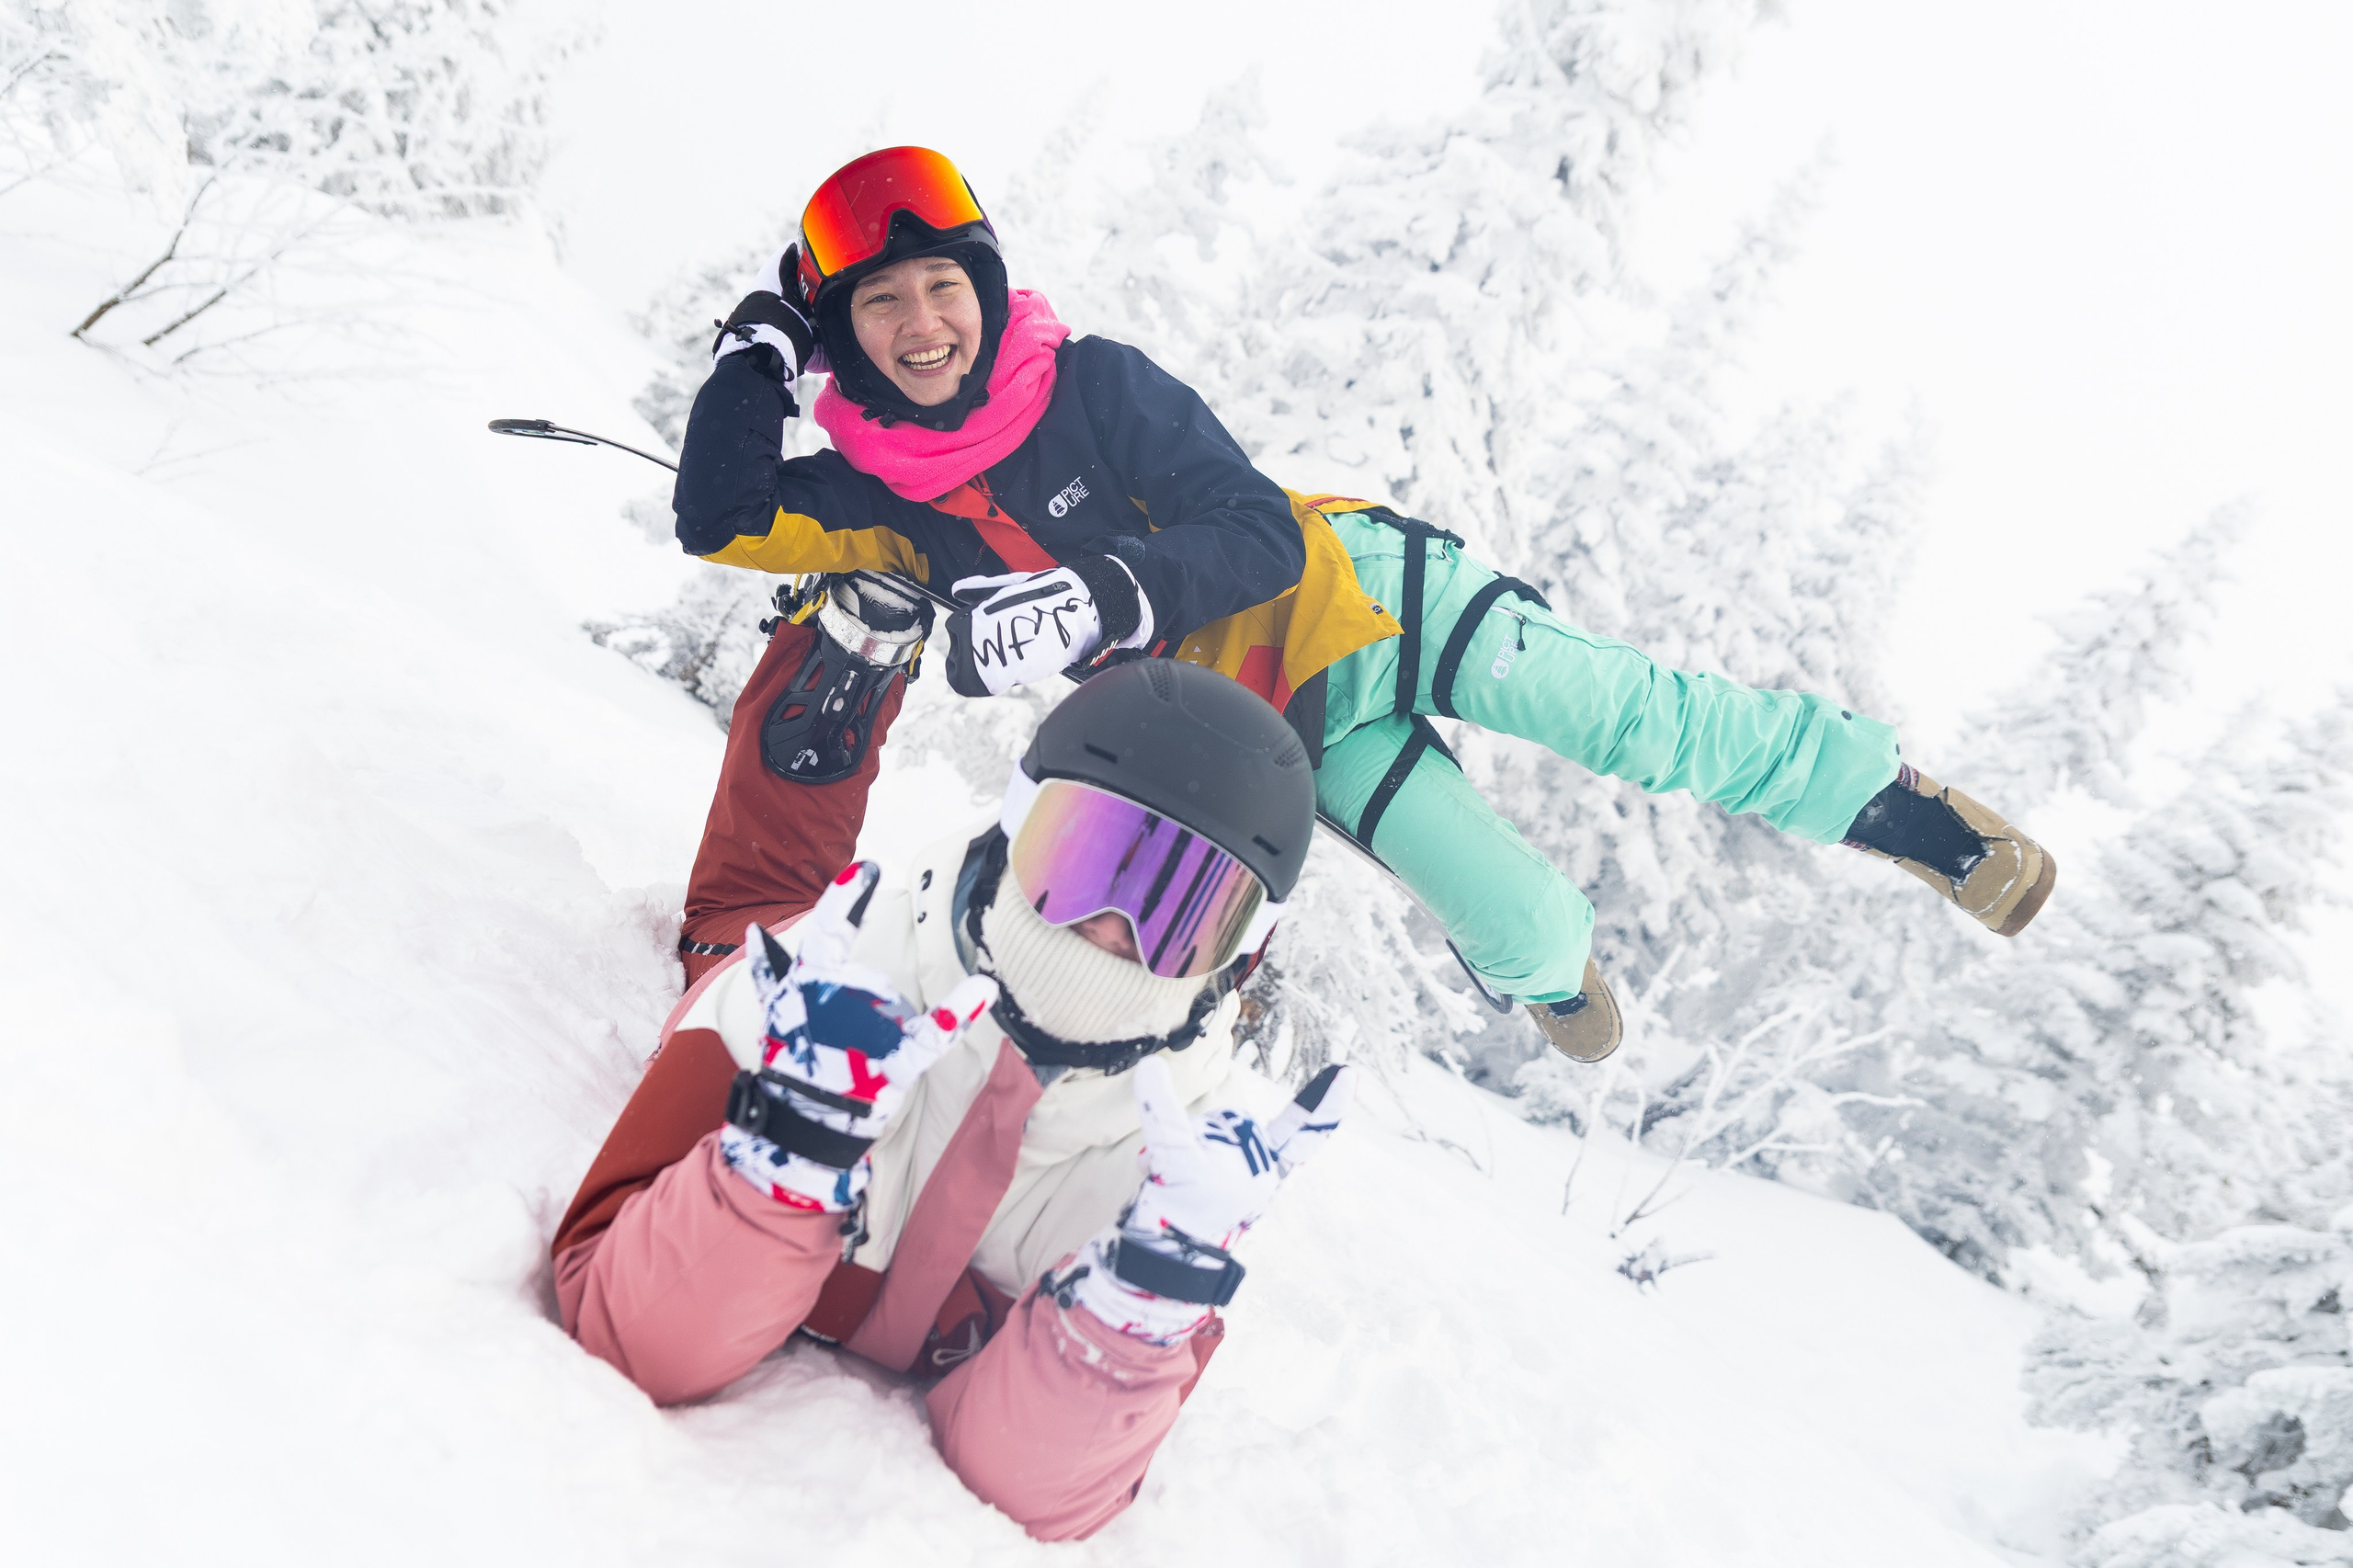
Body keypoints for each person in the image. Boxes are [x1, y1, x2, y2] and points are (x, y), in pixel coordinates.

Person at [667, 145, 2056, 1063]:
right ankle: (1546, 970)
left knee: (1635, 722)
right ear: (844, 332)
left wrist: (1100, 597)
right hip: (1287, 729)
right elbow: (718, 514)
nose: (923, 325)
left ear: (985, 284)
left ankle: (1895, 804)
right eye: (879, 304)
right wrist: (756, 345)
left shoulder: (1095, 382)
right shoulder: (881, 497)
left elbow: (1256, 532)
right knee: (1530, 930)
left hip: (1377, 595)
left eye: (943, 285)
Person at [554, 661, 1353, 1541]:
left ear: (1238, 954)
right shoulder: (825, 987)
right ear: (1013, 829)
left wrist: (1136, 1316)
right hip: (804, 951)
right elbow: (624, 1333)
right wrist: (791, 1132)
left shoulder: (1181, 1167)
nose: (1110, 932)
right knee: (749, 895)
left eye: (1181, 912)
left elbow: (1032, 1495)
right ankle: (847, 651)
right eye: (1084, 859)